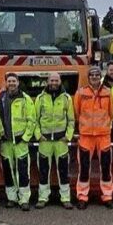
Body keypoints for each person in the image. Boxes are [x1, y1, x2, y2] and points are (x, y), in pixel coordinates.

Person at [74, 67, 113, 209]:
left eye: (97, 75)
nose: (95, 77)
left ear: (100, 77)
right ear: (88, 77)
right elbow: (76, 112)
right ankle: (82, 196)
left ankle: (107, 196)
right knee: (84, 168)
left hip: (103, 135)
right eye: (92, 75)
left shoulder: (108, 93)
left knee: (106, 167)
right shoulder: (81, 92)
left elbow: (112, 112)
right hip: (86, 136)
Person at [34, 72, 75, 209]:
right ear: (47, 81)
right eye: (51, 80)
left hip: (61, 141)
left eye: (56, 80)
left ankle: (65, 198)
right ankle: (43, 197)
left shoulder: (66, 98)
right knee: (44, 170)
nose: (54, 83)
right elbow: (35, 120)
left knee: (63, 170)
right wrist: (38, 135)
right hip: (44, 140)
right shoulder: (40, 98)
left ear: (60, 81)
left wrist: (68, 136)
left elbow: (71, 120)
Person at [0, 72, 36, 211]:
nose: (11, 83)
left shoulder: (25, 99)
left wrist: (25, 138)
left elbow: (32, 119)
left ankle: (24, 199)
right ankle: (11, 198)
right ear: (6, 83)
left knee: (23, 171)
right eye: (9, 81)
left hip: (20, 142)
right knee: (8, 171)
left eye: (14, 81)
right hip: (6, 142)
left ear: (18, 82)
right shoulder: (0, 98)